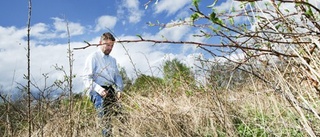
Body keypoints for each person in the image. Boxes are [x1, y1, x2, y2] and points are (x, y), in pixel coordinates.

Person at [82, 32, 124, 136]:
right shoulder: (93, 57)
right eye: (107, 45)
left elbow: (117, 77)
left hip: (110, 89)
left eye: (112, 46)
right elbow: (86, 78)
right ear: (100, 43)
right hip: (96, 90)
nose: (110, 48)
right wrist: (100, 90)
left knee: (123, 117)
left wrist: (119, 90)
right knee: (106, 119)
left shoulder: (113, 60)